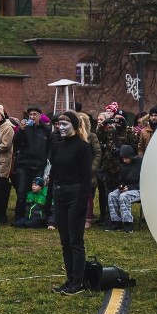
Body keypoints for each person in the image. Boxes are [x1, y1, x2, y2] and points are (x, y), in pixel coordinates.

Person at [49, 111, 93, 296]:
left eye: (65, 123)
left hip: (75, 194)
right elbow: (54, 172)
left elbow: (86, 177)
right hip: (59, 193)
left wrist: (83, 202)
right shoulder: (58, 146)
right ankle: (70, 279)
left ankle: (78, 281)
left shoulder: (83, 147)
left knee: (76, 239)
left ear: (74, 126)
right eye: (59, 124)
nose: (61, 127)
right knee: (65, 240)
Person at [12, 107, 51, 225]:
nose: (32, 117)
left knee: (37, 192)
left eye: (35, 114)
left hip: (39, 166)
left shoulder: (45, 130)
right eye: (30, 115)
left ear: (40, 116)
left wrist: (46, 161)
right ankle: (19, 218)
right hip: (24, 165)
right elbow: (16, 143)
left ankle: (35, 216)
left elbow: (49, 147)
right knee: (22, 193)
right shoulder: (25, 128)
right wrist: (21, 131)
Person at [105, 145, 143, 233]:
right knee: (112, 195)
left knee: (123, 196)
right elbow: (121, 179)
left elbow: (144, 182)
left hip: (139, 189)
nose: (124, 160)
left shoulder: (140, 164)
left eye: (126, 158)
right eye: (123, 158)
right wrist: (121, 186)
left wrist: (129, 188)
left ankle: (128, 224)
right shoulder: (123, 165)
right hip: (127, 189)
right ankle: (116, 222)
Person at [0, 105, 15, 224]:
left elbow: (5, 146)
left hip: (3, 163)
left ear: (2, 115)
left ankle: (2, 215)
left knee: (1, 190)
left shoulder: (7, 128)